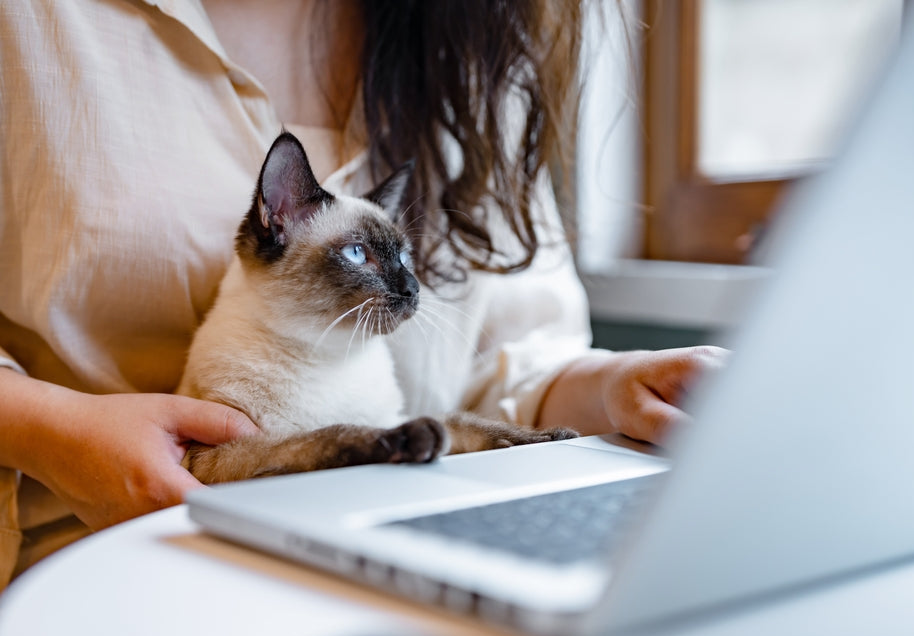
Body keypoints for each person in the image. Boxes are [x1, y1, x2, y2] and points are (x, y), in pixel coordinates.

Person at [0, 0, 726, 589]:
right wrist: (48, 426)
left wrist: (614, 386)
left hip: (422, 560)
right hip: (114, 575)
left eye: (401, 260)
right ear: (275, 222)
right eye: (359, 257)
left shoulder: (472, 42)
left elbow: (513, 361)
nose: (404, 287)